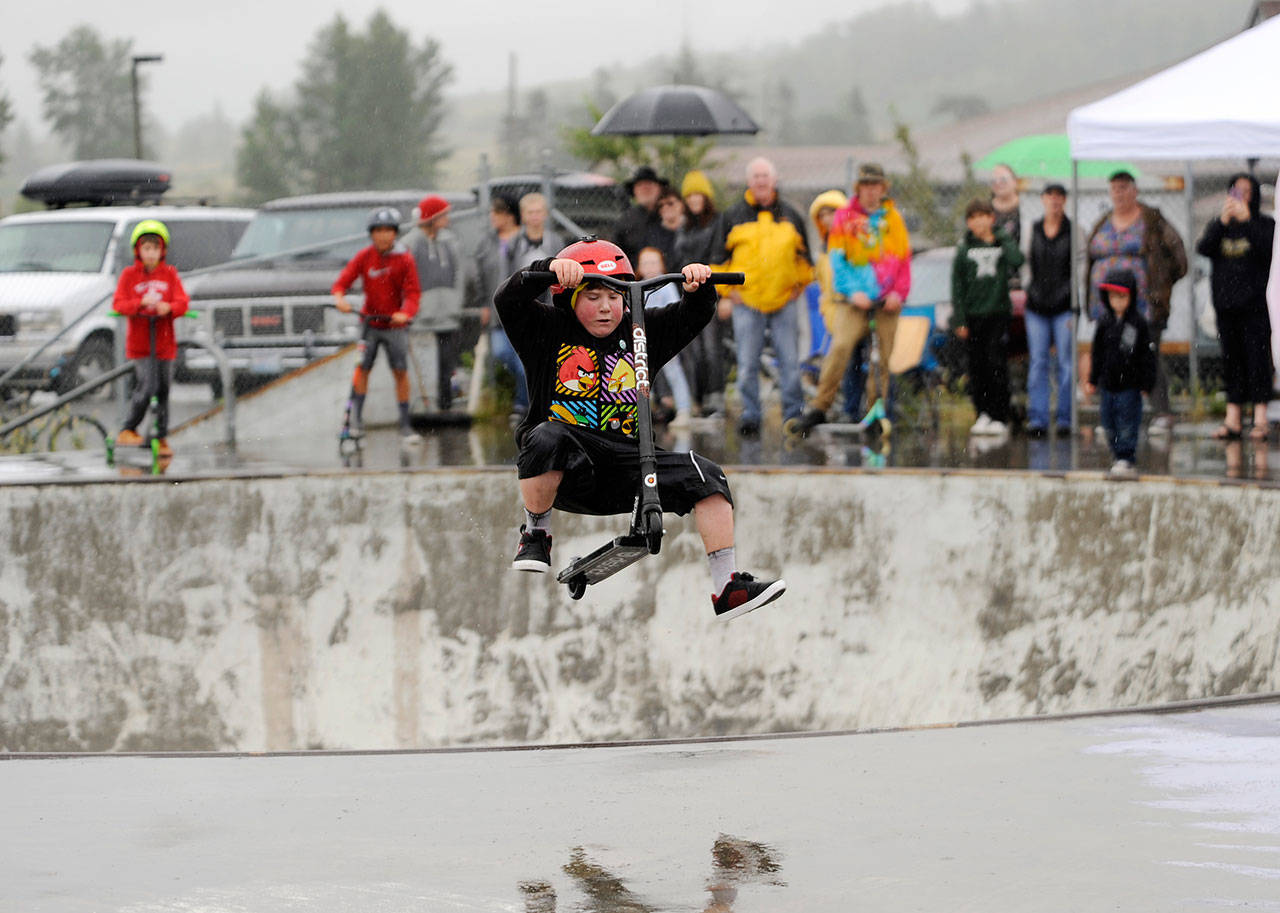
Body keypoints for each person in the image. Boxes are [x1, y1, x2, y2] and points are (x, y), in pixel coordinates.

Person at [494, 238, 786, 620]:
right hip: (567, 470)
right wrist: (548, 269)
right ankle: (535, 535)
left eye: (614, 296)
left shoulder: (642, 333)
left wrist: (699, 289)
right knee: (547, 434)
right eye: (593, 296)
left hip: (632, 468)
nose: (605, 307)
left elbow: (693, 315)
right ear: (569, 299)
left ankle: (727, 586)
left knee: (707, 476)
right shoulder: (545, 330)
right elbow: (507, 301)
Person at [789, 164, 910, 435]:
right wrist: (855, 292)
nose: (871, 191)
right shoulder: (845, 218)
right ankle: (820, 406)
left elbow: (903, 260)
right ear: (858, 189)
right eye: (866, 186)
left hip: (886, 302)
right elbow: (837, 263)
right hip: (853, 301)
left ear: (883, 188)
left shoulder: (893, 220)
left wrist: (897, 294)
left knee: (881, 357)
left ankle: (875, 412)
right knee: (841, 347)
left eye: (875, 185)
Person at [713, 157, 813, 436]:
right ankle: (751, 415)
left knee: (790, 362)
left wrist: (799, 286)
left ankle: (794, 416)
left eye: (765, 176)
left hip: (785, 301)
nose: (760, 181)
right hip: (747, 302)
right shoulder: (732, 216)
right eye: (755, 176)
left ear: (774, 180)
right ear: (749, 181)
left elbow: (806, 260)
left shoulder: (792, 215)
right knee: (747, 363)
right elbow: (717, 259)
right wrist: (727, 292)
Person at [1086, 170, 1187, 433]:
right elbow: (1090, 256)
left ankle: (1162, 412)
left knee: (1147, 355)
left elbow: (1178, 257)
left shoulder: (1151, 219)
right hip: (1108, 308)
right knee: (1112, 357)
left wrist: (1160, 287)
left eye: (1123, 187)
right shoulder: (1103, 221)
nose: (1118, 193)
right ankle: (1114, 415)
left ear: (1135, 190)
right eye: (1114, 188)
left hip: (1145, 307)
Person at [1196, 172, 1276, 441]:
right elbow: (1204, 247)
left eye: (1246, 191)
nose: (1240, 196)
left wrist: (1248, 222)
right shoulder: (1221, 226)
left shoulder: (1264, 224)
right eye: (1236, 191)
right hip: (1227, 307)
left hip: (1256, 308)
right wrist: (1222, 221)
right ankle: (1233, 420)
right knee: (1232, 363)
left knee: (1257, 362)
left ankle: (1260, 418)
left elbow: (1269, 250)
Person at [332, 207, 422, 441]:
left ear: (395, 233)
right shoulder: (364, 257)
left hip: (395, 325)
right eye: (378, 231)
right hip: (369, 325)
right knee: (362, 369)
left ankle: (404, 424)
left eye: (388, 231)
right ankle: (357, 422)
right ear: (371, 234)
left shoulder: (404, 259)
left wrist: (405, 313)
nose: (383, 236)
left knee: (400, 371)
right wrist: (339, 298)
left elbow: (413, 293)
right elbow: (342, 283)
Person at [112, 219, 189, 457]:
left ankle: (159, 436)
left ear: (162, 250)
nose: (151, 254)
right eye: (146, 248)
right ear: (138, 250)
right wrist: (140, 303)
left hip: (164, 343)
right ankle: (128, 428)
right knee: (147, 385)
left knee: (163, 389)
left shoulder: (169, 274)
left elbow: (182, 302)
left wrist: (169, 308)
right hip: (141, 345)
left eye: (155, 248)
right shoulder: (129, 275)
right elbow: (119, 304)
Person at [951, 197, 1024, 436]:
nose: (979, 222)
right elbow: (957, 286)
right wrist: (959, 319)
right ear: (968, 222)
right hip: (973, 316)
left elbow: (1017, 260)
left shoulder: (1000, 244)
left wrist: (1001, 238)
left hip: (997, 313)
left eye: (984, 216)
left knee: (996, 363)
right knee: (977, 366)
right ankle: (982, 412)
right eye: (973, 218)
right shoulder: (964, 248)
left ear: (992, 218)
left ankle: (999, 414)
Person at [1086, 269, 1156, 478]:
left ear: (1131, 296)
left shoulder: (1138, 323)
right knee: (1108, 423)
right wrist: (1093, 379)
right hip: (1108, 384)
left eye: (1122, 296)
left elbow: (1147, 356)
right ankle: (1117, 454)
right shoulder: (1104, 322)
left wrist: (1146, 383)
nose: (1116, 301)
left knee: (1127, 421)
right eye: (1112, 296)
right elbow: (1097, 352)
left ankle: (1126, 456)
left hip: (1130, 385)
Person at [674, 170, 727, 416]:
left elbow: (718, 257)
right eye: (690, 195)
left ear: (706, 198)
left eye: (699, 195)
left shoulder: (718, 223)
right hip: (686, 292)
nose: (694, 200)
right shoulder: (684, 227)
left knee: (711, 347)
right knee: (692, 348)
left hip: (709, 291)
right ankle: (697, 398)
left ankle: (716, 398)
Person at [406, 194, 466, 410]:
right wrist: (415, 307)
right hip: (423, 316)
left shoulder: (449, 241)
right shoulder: (411, 244)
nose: (447, 219)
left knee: (447, 363)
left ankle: (445, 406)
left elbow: (459, 273)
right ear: (431, 218)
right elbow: (407, 279)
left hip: (448, 314)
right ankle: (424, 407)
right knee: (424, 364)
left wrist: (456, 302)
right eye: (443, 215)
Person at [1025, 183, 1074, 436]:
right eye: (1050, 196)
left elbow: (1078, 270)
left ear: (1064, 200)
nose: (1054, 201)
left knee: (1066, 363)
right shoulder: (1033, 229)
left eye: (1059, 197)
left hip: (1064, 307)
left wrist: (1075, 305)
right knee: (1038, 361)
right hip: (1036, 306)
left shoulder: (1073, 231)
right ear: (1043, 199)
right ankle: (1038, 418)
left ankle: (1065, 418)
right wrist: (1028, 291)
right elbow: (1026, 263)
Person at [474, 194, 529, 419]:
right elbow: (479, 276)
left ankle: (522, 404)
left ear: (508, 215)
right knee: (502, 352)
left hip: (523, 309)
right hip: (497, 309)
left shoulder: (526, 238)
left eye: (496, 213)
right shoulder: (488, 242)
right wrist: (483, 305)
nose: (492, 218)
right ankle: (525, 400)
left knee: (522, 361)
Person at [635, 246, 695, 429]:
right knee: (640, 376)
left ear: (662, 265)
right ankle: (642, 411)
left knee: (674, 372)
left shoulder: (667, 286)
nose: (650, 267)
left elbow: (674, 311)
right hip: (641, 340)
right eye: (646, 263)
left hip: (664, 338)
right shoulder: (637, 287)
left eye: (654, 262)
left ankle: (684, 409)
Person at [613, 165, 667, 262]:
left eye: (649, 184)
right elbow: (617, 256)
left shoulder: (670, 214)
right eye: (640, 185)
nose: (645, 188)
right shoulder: (625, 221)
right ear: (634, 191)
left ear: (659, 188)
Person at [513, 192, 564, 272]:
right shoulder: (514, 241)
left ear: (545, 213)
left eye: (538, 212)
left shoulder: (555, 241)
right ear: (522, 215)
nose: (534, 216)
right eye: (530, 212)